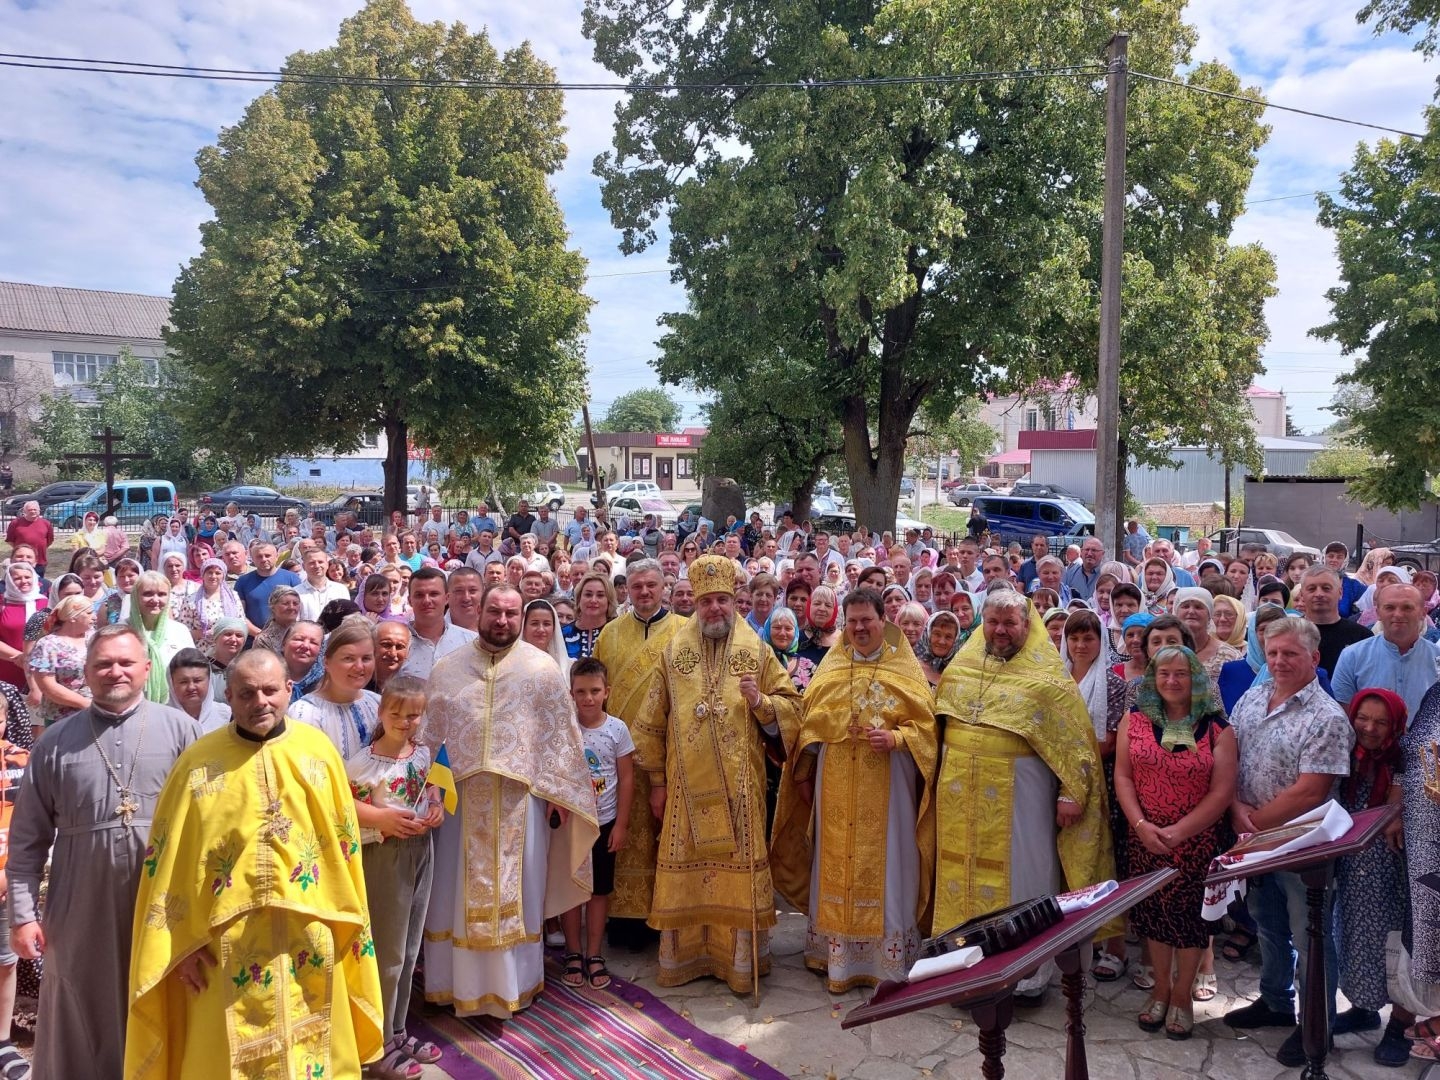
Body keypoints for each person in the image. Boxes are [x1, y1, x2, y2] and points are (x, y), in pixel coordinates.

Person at [124, 649, 384, 1079]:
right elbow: (169, 865)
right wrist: (177, 947)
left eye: (269, 690)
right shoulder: (198, 765)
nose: (260, 701)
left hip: (311, 929)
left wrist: (347, 921)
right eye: (247, 693)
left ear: (288, 690)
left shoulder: (316, 752)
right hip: (221, 944)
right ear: (229, 696)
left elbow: (344, 848)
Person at [7, 625, 196, 1079]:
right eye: (103, 664)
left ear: (146, 669)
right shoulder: (54, 742)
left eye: (126, 662)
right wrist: (22, 913)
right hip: (80, 903)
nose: (115, 672)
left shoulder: (182, 731)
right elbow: (27, 839)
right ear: (85, 675)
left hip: (164, 902)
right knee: (80, 1004)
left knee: (166, 1000)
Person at [422, 584, 598, 1018]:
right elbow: (430, 735)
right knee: (453, 892)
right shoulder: (447, 668)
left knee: (521, 892)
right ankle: (453, 984)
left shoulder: (541, 670)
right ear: (478, 611)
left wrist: (561, 792)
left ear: (521, 618)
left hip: (523, 802)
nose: (502, 621)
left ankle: (515, 984)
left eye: (511, 614)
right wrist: (427, 788)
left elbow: (561, 737)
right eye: (494, 612)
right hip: (458, 805)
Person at [933, 588, 1116, 1002]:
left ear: (1027, 625)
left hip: (1023, 796)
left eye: (1009, 623)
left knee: (1023, 875)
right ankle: (958, 967)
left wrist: (1072, 792)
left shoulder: (1048, 679)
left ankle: (1022, 977)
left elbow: (1075, 743)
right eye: (993, 621)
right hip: (960, 797)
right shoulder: (962, 667)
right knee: (957, 880)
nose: (1000, 630)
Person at [631, 555, 803, 993]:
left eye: (723, 600)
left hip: (740, 792)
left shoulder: (758, 651)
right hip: (684, 792)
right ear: (696, 604)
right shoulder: (674, 652)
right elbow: (651, 722)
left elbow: (791, 710)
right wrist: (656, 782)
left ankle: (738, 962)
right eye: (706, 601)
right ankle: (684, 955)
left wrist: (762, 702)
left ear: (735, 601)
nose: (714, 609)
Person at [771, 589, 937, 992]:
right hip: (836, 781)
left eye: (868, 620)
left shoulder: (905, 669)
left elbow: (929, 729)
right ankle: (837, 956)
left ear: (884, 621)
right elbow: (809, 722)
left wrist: (897, 738)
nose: (860, 628)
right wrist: (808, 766)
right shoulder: (832, 665)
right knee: (834, 857)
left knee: (889, 859)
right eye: (854, 621)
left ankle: (885, 958)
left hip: (890, 783)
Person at [1224, 617, 1354, 1070]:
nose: (1279, 661)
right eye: (1273, 652)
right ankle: (1275, 999)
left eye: (1290, 654)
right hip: (1253, 836)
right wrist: (1236, 810)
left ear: (1314, 659)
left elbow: (1311, 790)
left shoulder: (1327, 717)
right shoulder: (1254, 696)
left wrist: (1251, 822)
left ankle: (1317, 1024)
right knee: (1267, 922)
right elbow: (1232, 756)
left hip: (1303, 845)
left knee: (1310, 934)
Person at [1114, 646, 1236, 1041]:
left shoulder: (1219, 728)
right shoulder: (1133, 722)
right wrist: (1140, 824)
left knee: (1190, 921)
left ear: (1195, 678)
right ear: (1152, 677)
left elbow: (1222, 793)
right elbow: (1124, 777)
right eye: (1163, 673)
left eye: (1181, 673)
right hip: (1145, 836)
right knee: (1153, 916)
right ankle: (1161, 991)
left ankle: (1182, 996)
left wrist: (1181, 831)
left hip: (1197, 841)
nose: (1171, 681)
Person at [345, 674, 445, 1079]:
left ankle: (399, 1027)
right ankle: (378, 1041)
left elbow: (433, 788)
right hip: (384, 857)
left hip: (422, 852)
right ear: (381, 711)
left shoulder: (422, 754)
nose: (406, 722)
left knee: (408, 950)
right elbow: (345, 811)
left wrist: (435, 806)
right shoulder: (362, 763)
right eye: (397, 714)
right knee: (386, 953)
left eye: (414, 715)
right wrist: (383, 825)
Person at [592, 559, 685, 948]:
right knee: (622, 838)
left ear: (664, 586)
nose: (644, 592)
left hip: (670, 756)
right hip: (618, 762)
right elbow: (597, 693)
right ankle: (622, 922)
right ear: (626, 589)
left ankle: (663, 919)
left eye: (651, 585)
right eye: (637, 586)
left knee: (664, 838)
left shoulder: (684, 632)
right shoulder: (609, 636)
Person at [1327, 687, 1412, 1066]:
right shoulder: (1349, 752)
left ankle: (1401, 1026)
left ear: (1395, 724)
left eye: (1381, 722)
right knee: (1356, 936)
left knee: (1399, 945)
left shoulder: (1408, 758)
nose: (1369, 728)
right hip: (1355, 865)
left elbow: (1408, 801)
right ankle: (1364, 1006)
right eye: (1363, 718)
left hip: (1394, 870)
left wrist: (1397, 810)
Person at [1062, 609, 1131, 981]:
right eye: (1074, 638)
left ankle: (1115, 947)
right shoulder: (1054, 680)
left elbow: (1109, 740)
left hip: (1098, 782)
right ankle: (1071, 939)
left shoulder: (1113, 684)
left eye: (1088, 638)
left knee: (1103, 862)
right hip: (1057, 781)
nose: (1080, 645)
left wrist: (1070, 758)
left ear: (1100, 641)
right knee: (1065, 862)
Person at [560, 658, 635, 992]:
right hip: (572, 825)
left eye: (594, 691)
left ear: (607, 692)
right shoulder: (565, 729)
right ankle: (573, 952)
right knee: (573, 890)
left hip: (604, 822)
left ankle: (594, 953)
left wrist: (621, 825)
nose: (588, 698)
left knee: (599, 891)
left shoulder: (617, 730)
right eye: (580, 692)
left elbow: (627, 778)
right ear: (571, 693)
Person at [1333, 582, 1440, 716]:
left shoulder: (1437, 657)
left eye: (1407, 607)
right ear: (1378, 613)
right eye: (1390, 607)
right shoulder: (1352, 656)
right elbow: (1343, 715)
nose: (1398, 614)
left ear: (1423, 613)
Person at [292, 619, 381, 760]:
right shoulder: (307, 714)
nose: (359, 667)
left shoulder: (378, 704)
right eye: (348, 658)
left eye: (366, 658)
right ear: (326, 662)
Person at [0, 694, 26, 1080]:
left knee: (5, 963)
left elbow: (29, 821)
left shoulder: (20, 761)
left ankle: (3, 1041)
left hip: (7, 879)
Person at [26, 594, 94, 730]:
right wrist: (86, 704)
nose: (95, 616)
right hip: (62, 719)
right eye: (89, 613)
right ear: (73, 617)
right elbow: (47, 686)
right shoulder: (47, 644)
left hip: (96, 713)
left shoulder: (93, 637)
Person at [397, 567, 476, 681]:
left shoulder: (470, 641)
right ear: (410, 601)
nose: (427, 601)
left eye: (434, 594)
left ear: (447, 598)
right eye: (419, 595)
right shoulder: (397, 644)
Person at [127, 572, 194, 704]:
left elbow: (191, 670)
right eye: (148, 594)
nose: (155, 600)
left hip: (173, 706)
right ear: (135, 597)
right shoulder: (121, 632)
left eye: (162, 594)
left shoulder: (180, 631)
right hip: (130, 706)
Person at [234, 542, 302, 640]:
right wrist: (260, 634)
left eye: (268, 555)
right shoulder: (243, 581)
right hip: (254, 639)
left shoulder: (292, 578)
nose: (264, 559)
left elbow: (300, 610)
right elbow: (240, 614)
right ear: (252, 559)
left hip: (288, 638)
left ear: (276, 556)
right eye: (259, 556)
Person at [175, 558, 244, 649]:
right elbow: (182, 631)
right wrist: (203, 633)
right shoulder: (190, 600)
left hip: (228, 649)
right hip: (202, 651)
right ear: (203, 575)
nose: (213, 576)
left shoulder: (233, 597)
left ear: (223, 576)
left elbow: (241, 623)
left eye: (218, 573)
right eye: (209, 572)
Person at [166, 647, 232, 733]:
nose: (191, 687)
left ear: (209, 680)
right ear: (172, 683)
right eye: (183, 682)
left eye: (197, 681)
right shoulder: (161, 718)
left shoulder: (226, 715)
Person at [0, 564, 44, 692]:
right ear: (9, 580)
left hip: (40, 669)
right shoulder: (2, 605)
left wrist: (29, 661)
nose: (23, 581)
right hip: (9, 667)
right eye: (17, 578)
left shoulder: (45, 603)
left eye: (27, 577)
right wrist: (23, 658)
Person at [564, 572, 615, 660]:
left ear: (609, 600)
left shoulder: (618, 632)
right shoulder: (563, 634)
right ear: (579, 598)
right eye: (588, 594)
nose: (593, 600)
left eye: (600, 595)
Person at [252, 585, 303, 657]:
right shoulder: (264, 640)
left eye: (295, 603)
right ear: (273, 607)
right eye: (285, 604)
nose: (291, 607)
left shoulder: (304, 632)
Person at [4, 504, 53, 580]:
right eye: (30, 510)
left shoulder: (46, 523)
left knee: (38, 583)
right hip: (21, 561)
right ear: (24, 511)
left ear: (39, 511)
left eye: (35, 509)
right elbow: (10, 540)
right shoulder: (15, 523)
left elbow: (50, 540)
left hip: (39, 561)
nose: (33, 511)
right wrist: (22, 550)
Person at [370, 620, 410, 695]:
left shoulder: (410, 691)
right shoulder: (358, 684)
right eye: (386, 645)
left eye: (400, 646)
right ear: (372, 646)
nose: (393, 653)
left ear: (408, 652)